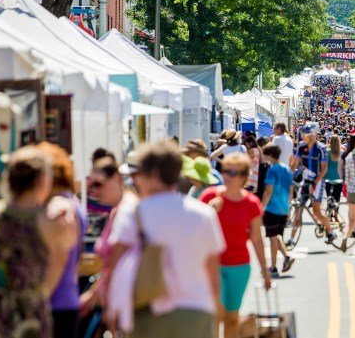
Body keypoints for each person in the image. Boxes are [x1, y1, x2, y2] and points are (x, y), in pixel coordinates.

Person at [107, 142, 224, 337]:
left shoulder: (132, 213)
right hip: (196, 310)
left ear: (152, 173)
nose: (136, 181)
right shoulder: (204, 214)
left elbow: (116, 262)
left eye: (139, 174)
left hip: (146, 309)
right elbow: (213, 272)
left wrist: (111, 306)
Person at [0, 146, 77, 336]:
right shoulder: (52, 223)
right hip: (33, 313)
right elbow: (60, 263)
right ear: (43, 180)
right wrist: (38, 295)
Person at [199, 152, 272, 338]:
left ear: (244, 176)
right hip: (212, 265)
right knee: (216, 313)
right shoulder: (208, 197)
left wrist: (265, 270)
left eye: (233, 172)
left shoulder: (251, 203)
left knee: (232, 317)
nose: (228, 176)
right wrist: (208, 212)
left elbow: (257, 239)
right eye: (225, 171)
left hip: (239, 266)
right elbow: (193, 230)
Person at [79, 154, 139, 331]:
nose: (93, 191)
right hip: (114, 302)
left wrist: (110, 305)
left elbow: (119, 262)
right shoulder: (118, 211)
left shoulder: (127, 211)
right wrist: (93, 294)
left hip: (124, 305)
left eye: (98, 184)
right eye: (90, 185)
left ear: (117, 178)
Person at [36, 142, 87, 338]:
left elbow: (59, 258)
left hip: (55, 301)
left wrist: (39, 298)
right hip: (65, 297)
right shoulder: (72, 203)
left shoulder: (59, 209)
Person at [290, 122, 336, 244]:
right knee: (298, 210)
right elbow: (295, 163)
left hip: (317, 181)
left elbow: (324, 168)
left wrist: (315, 182)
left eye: (304, 134)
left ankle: (330, 231)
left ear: (311, 135)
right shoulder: (301, 146)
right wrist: (288, 175)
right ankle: (291, 239)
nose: (302, 136)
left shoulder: (321, 148)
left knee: (316, 211)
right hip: (305, 181)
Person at [260, 145, 295, 277]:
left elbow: (269, 190)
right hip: (284, 206)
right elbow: (291, 189)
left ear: (270, 155)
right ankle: (286, 257)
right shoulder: (286, 169)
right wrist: (288, 205)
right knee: (276, 235)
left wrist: (261, 206)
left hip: (272, 207)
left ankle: (273, 267)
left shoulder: (272, 170)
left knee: (272, 237)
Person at [325, 135, 343, 202]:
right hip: (338, 176)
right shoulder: (342, 152)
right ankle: (336, 211)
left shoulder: (327, 152)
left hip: (327, 175)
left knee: (328, 196)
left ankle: (329, 209)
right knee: (337, 196)